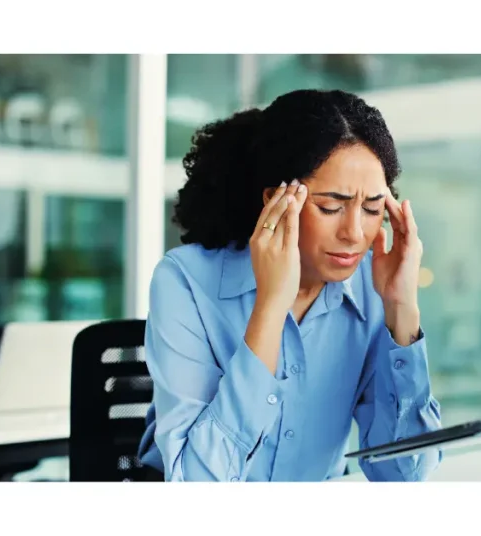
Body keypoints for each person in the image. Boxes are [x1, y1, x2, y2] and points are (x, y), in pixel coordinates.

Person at [136, 89, 442, 482]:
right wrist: (270, 307)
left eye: (371, 209)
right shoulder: (185, 282)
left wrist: (402, 310)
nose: (353, 233)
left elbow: (404, 475)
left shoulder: (372, 285)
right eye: (331, 207)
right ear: (276, 201)